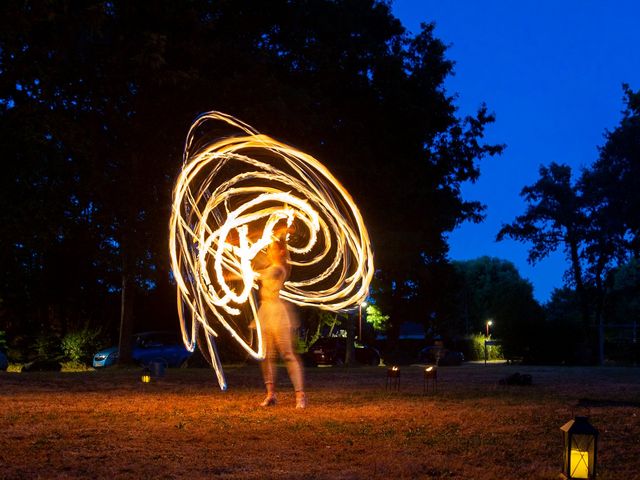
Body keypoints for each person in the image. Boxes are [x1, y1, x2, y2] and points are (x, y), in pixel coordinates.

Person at [256, 236, 306, 409]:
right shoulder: (269, 267)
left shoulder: (280, 268)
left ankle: (300, 395)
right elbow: (255, 272)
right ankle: (271, 394)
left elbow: (265, 274)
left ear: (281, 251)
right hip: (265, 312)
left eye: (272, 248)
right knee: (267, 356)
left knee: (287, 354)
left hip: (278, 313)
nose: (268, 251)